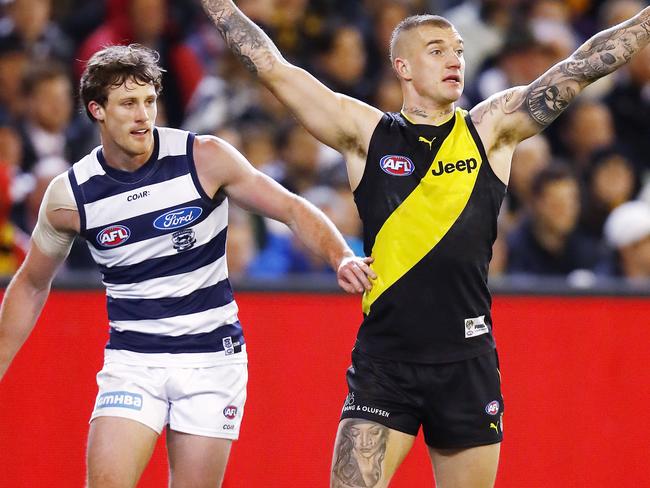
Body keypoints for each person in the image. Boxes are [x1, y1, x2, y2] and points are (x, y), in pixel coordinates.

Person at [201, 1, 650, 486]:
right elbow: (273, 69)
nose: (455, 59)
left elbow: (579, 68)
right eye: (437, 51)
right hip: (385, 363)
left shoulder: (491, 129)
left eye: (458, 50)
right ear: (403, 66)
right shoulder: (366, 135)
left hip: (467, 363)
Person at [0, 44, 376, 488]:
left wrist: (341, 254)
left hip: (212, 360)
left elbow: (291, 208)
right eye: (127, 104)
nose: (143, 115)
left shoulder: (205, 158)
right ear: (96, 110)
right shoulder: (71, 196)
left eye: (149, 101)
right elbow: (30, 285)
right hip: (133, 361)